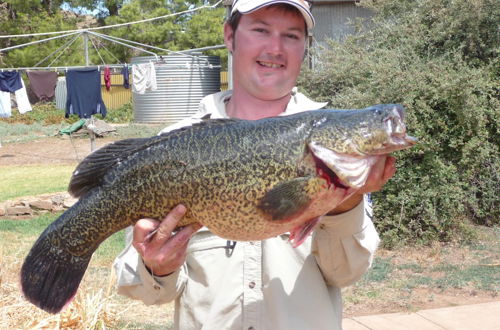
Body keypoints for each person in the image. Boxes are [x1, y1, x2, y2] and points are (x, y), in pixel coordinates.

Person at [113, 1, 396, 329]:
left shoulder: (334, 147)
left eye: (291, 35)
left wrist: (343, 199)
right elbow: (145, 291)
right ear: (230, 36)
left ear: (305, 47)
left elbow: (347, 272)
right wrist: (156, 267)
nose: (275, 48)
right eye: (261, 30)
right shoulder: (175, 147)